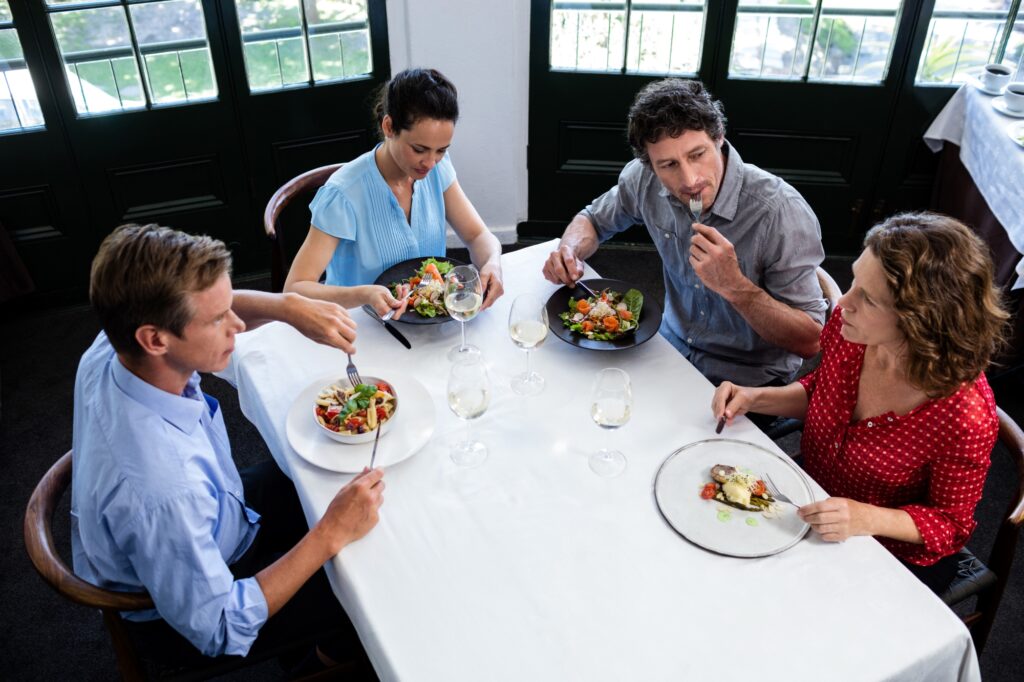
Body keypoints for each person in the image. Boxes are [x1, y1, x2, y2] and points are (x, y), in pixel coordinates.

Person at [72, 224, 384, 671]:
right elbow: (219, 625)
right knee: (365, 587)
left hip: (217, 517)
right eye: (218, 320)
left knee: (321, 473)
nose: (238, 325)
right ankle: (315, 665)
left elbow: (208, 304)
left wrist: (287, 307)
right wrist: (328, 533)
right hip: (186, 611)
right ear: (155, 339)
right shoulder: (163, 490)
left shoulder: (113, 344)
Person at [712, 212, 1010, 592]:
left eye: (867, 299)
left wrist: (865, 518)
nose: (843, 302)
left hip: (884, 551)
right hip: (809, 493)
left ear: (920, 321)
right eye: (854, 280)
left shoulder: (964, 416)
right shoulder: (850, 328)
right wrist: (755, 398)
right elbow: (822, 393)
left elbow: (950, 525)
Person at [542, 78, 826, 388]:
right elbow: (593, 219)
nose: (690, 179)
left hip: (747, 378)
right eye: (668, 164)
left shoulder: (779, 212)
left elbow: (811, 340)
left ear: (719, 138)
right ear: (649, 164)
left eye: (697, 154)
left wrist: (735, 287)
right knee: (572, 388)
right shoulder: (644, 179)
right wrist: (569, 250)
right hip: (667, 349)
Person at [286, 67, 504, 318]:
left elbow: (477, 235)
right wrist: (365, 294)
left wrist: (493, 263)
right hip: (361, 325)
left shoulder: (438, 168)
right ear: (389, 126)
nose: (430, 162)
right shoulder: (343, 194)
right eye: (419, 149)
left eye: (441, 150)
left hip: (427, 320)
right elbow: (295, 288)